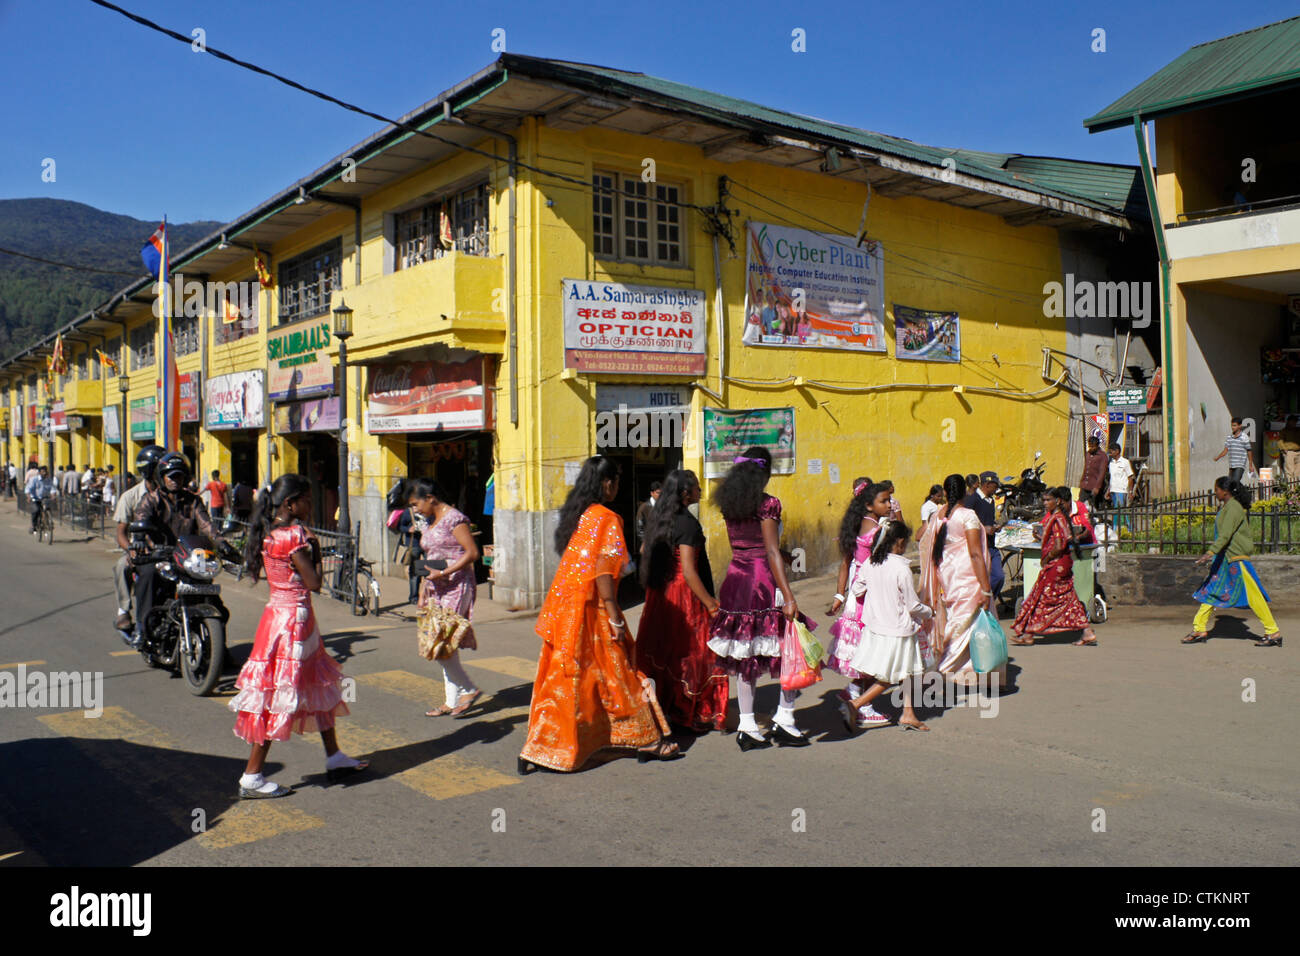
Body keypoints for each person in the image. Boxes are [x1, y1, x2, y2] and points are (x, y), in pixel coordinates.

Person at [518, 455, 679, 773]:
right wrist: (615, 616)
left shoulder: (578, 515)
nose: (617, 487)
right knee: (620, 672)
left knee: (564, 679)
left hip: (565, 609)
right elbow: (604, 571)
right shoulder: (606, 517)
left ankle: (538, 747)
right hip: (592, 610)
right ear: (607, 483)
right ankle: (645, 739)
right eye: (616, 481)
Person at [230, 474, 368, 798]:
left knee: (315, 684)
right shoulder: (293, 536)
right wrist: (316, 547)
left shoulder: (269, 532)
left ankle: (334, 756)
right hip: (293, 623)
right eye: (307, 498)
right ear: (291, 503)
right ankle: (252, 775)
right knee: (281, 695)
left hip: (278, 618)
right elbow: (315, 583)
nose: (311, 504)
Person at [708, 446, 818, 750]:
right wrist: (789, 595)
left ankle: (747, 726)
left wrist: (781, 554)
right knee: (789, 648)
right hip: (762, 581)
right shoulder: (768, 504)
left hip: (736, 577)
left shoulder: (731, 504)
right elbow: (768, 551)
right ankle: (785, 719)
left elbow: (752, 545)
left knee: (746, 652)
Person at [636, 469, 727, 732]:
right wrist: (710, 604)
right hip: (683, 594)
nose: (700, 491)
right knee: (693, 654)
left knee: (663, 651)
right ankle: (688, 711)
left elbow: (644, 550)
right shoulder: (687, 523)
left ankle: (661, 708)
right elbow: (688, 571)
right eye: (697, 487)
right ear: (686, 494)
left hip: (660, 592)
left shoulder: (659, 517)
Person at [842, 518, 933, 731]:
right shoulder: (901, 570)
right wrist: (930, 612)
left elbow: (856, 590)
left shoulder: (871, 562)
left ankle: (908, 713)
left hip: (876, 627)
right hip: (898, 629)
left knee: (906, 671)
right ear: (899, 542)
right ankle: (856, 704)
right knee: (891, 675)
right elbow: (913, 605)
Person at [919, 474, 1005, 689]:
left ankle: (967, 671)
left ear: (946, 493)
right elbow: (976, 554)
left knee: (961, 622)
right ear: (964, 492)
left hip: (947, 577)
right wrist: (986, 588)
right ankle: (945, 669)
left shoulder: (938, 515)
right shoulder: (968, 516)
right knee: (964, 624)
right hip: (968, 578)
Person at [129, 452, 216, 650]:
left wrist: (221, 542)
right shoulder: (150, 500)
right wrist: (140, 538)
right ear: (162, 477)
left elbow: (206, 525)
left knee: (211, 592)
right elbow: (141, 518)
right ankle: (142, 628)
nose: (175, 481)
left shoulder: (194, 501)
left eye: (179, 476)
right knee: (148, 576)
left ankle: (218, 643)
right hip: (159, 554)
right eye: (171, 476)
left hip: (187, 555)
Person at [412, 478, 483, 717]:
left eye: (416, 503)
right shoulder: (429, 522)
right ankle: (451, 701)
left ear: (430, 498)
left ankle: (470, 689)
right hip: (436, 587)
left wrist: (444, 572)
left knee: (442, 641)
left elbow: (472, 552)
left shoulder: (455, 518)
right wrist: (423, 590)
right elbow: (429, 556)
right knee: (442, 644)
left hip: (457, 585)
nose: (415, 509)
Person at [825, 481, 894, 726]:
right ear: (869, 504)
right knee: (872, 653)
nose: (889, 505)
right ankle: (863, 706)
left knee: (866, 651)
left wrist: (840, 595)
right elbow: (884, 566)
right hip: (870, 596)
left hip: (857, 594)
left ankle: (854, 692)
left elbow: (846, 564)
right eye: (884, 501)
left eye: (889, 500)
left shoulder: (858, 524)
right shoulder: (879, 530)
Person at [1184, 477, 1281, 647]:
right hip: (1225, 558)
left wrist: (1210, 552)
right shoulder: (1228, 507)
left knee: (1254, 596)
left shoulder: (1234, 508)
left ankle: (1273, 632)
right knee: (1211, 591)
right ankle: (1199, 628)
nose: (1215, 492)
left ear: (1225, 491)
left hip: (1236, 558)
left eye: (1217, 489)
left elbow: (1226, 534)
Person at [1011, 487, 1099, 647]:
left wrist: (1048, 557)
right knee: (1065, 598)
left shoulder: (1058, 519)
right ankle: (1087, 632)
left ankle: (1029, 634)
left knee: (1043, 597)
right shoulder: (1055, 517)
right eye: (1044, 500)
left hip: (1057, 564)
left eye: (1048, 500)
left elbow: (1059, 544)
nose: (1045, 503)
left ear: (1057, 501)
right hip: (1060, 564)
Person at [111, 447, 163, 631]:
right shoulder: (130, 497)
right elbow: (121, 532)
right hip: (142, 551)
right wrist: (131, 549)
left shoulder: (172, 494)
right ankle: (123, 609)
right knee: (121, 566)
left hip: (169, 549)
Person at [964, 470, 1005, 602]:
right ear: (987, 485)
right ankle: (980, 602)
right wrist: (983, 529)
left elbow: (988, 520)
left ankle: (986, 601)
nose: (997, 488)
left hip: (991, 545)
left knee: (999, 577)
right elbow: (965, 522)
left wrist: (994, 526)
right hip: (979, 547)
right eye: (995, 486)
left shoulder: (991, 501)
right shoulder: (972, 500)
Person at [1213, 417, 1255, 484]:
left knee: (1235, 482)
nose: (1232, 427)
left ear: (1240, 426)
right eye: (1232, 425)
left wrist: (1250, 465)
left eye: (1234, 425)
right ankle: (1242, 491)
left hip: (1240, 465)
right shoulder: (1229, 438)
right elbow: (1225, 451)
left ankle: (1241, 492)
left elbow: (1249, 451)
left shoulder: (1244, 437)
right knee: (1230, 484)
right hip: (1232, 465)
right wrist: (1217, 457)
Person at [1106, 442, 1135, 533]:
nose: (1110, 454)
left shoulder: (1125, 462)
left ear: (1117, 451)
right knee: (1115, 511)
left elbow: (1130, 477)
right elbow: (1112, 478)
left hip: (1122, 491)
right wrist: (1108, 491)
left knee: (1123, 511)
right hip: (1113, 490)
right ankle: (1115, 529)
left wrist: (1130, 492)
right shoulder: (1111, 463)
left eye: (1111, 451)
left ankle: (1129, 530)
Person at [24, 465, 56, 534]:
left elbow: (52, 488)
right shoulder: (34, 479)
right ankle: (33, 525)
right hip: (36, 498)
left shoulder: (49, 480)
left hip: (45, 498)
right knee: (36, 510)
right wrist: (28, 497)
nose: (44, 473)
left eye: (45, 471)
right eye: (43, 472)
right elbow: (28, 489)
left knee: (48, 508)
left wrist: (53, 495)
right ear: (39, 472)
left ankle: (49, 522)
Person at [634, 480, 662, 552]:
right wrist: (645, 541)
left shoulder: (663, 507)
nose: (660, 495)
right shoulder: (644, 507)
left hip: (661, 543)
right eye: (658, 493)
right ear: (652, 493)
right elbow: (639, 528)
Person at [1079, 436, 1107, 504]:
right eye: (1090, 446)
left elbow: (1102, 472)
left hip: (1094, 486)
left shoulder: (1102, 456)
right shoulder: (1087, 454)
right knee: (1081, 504)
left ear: (1097, 446)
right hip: (1085, 485)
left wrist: (1097, 487)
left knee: (1092, 506)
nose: (1091, 448)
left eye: (1093, 446)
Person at [1277, 414, 1300, 481]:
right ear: (1288, 421)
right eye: (1293, 421)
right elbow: (1280, 441)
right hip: (1289, 452)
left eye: (1295, 421)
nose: (1294, 423)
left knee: (1298, 472)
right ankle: (1291, 489)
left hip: (1299, 452)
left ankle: (1296, 488)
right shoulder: (1284, 431)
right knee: (1289, 471)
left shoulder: (1298, 430)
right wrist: (1284, 450)